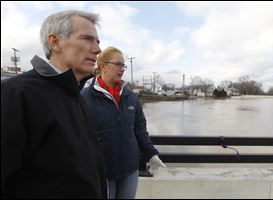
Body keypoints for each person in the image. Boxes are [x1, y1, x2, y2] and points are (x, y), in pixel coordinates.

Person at [1, 10, 107, 198]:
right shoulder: (16, 93)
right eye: (87, 39)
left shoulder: (76, 96)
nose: (98, 49)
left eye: (97, 42)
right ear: (55, 42)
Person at [81, 47, 166, 199]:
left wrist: (152, 154)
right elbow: (79, 136)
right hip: (103, 171)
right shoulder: (85, 98)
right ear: (103, 67)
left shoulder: (130, 97)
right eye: (118, 64)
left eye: (123, 65)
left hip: (130, 169)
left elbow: (140, 130)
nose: (122, 69)